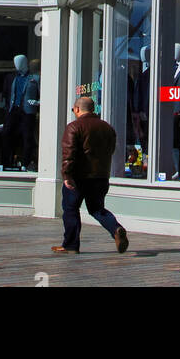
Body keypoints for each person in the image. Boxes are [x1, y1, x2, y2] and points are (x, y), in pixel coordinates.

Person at [52, 95, 129, 255]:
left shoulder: (74, 127)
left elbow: (68, 154)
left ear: (78, 109)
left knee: (70, 209)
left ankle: (71, 245)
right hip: (101, 176)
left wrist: (67, 175)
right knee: (97, 209)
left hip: (79, 177)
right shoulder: (107, 128)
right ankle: (116, 229)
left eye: (73, 109)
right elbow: (111, 150)